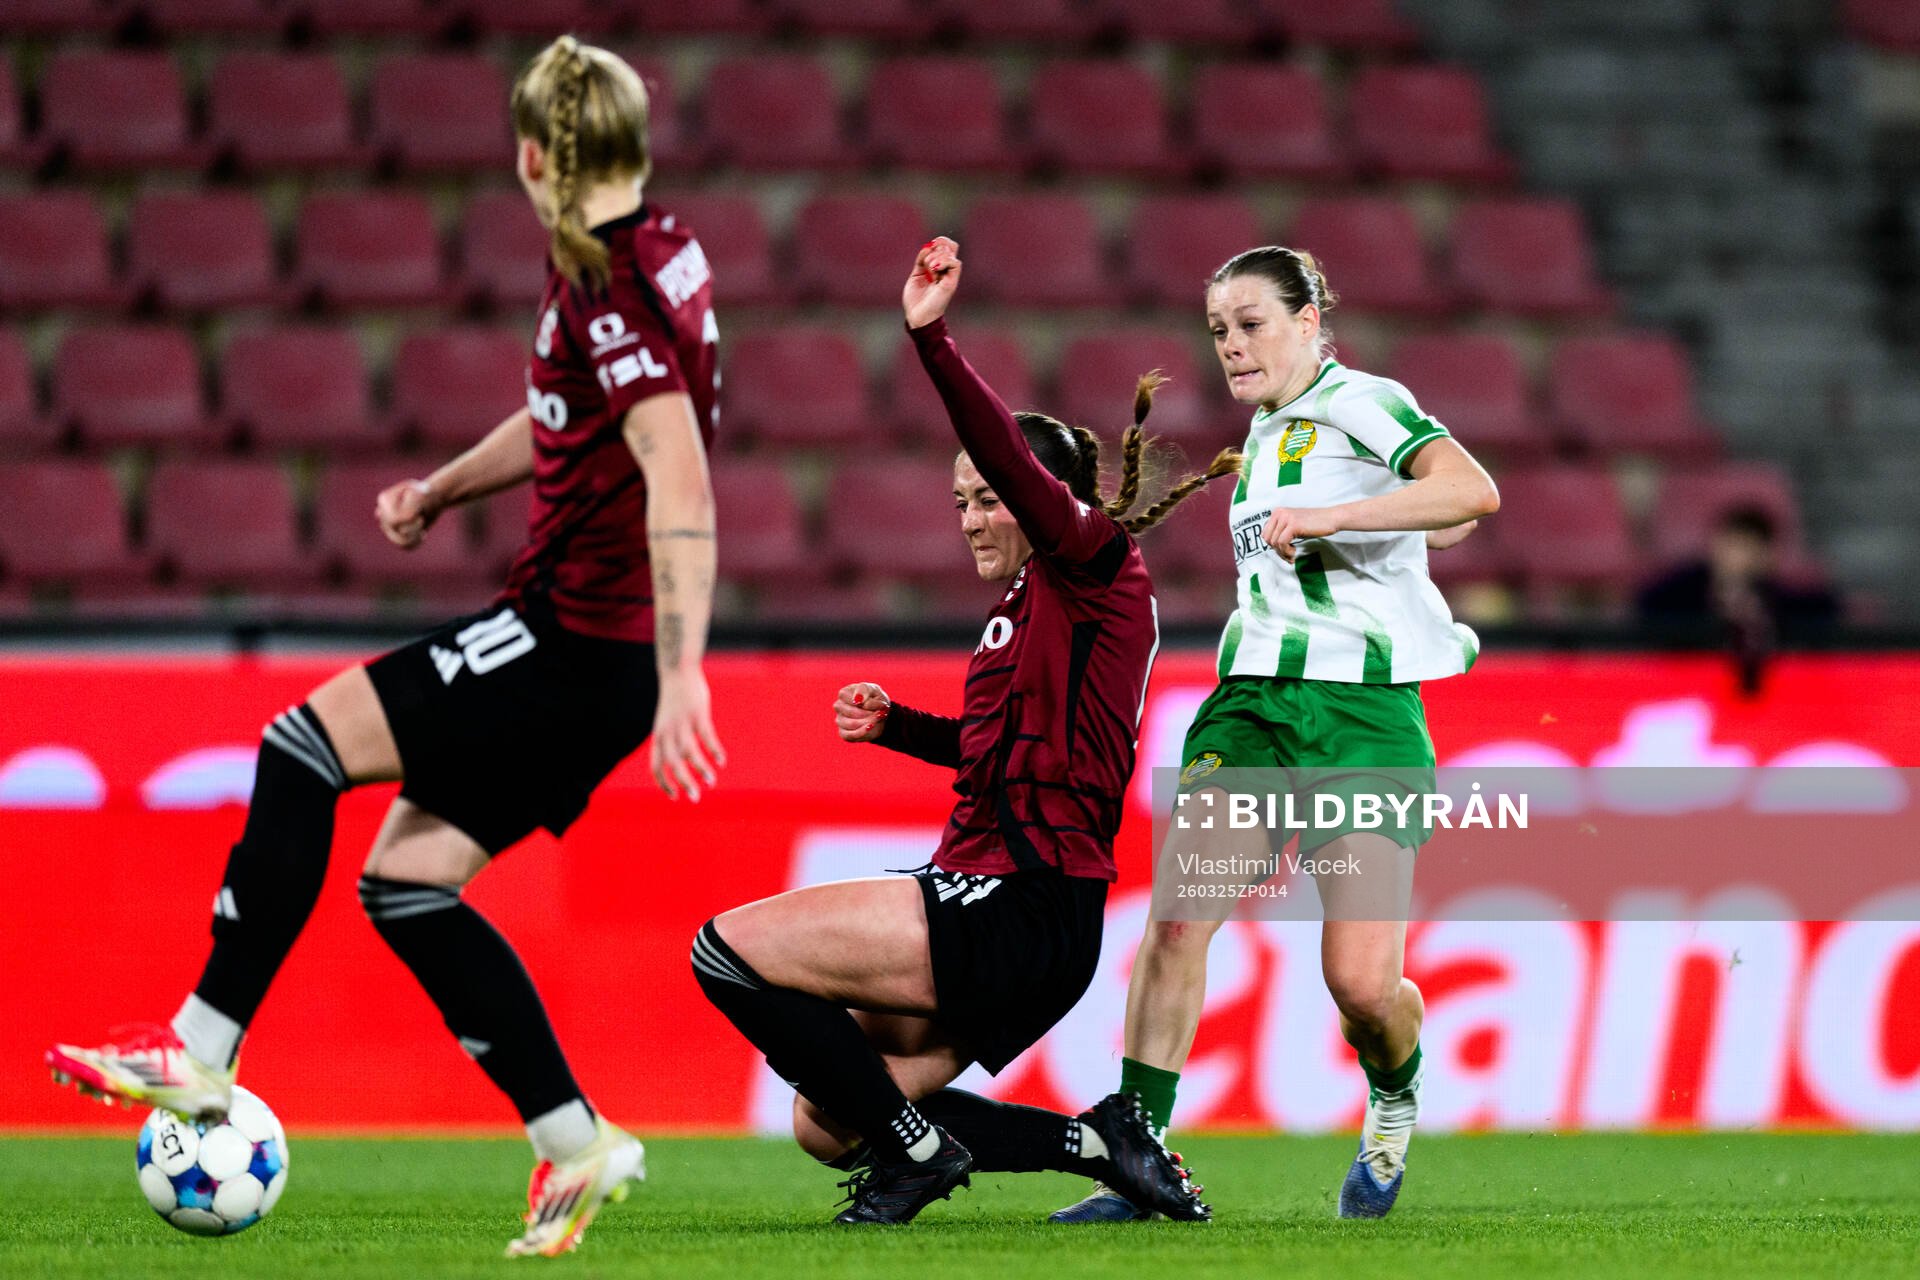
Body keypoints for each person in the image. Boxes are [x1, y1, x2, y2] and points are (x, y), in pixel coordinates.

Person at [47, 36, 723, 1258]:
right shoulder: (663, 248)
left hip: (575, 644)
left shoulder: (607, 283)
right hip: (594, 656)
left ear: (535, 156)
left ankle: (199, 1049)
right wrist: (444, 489)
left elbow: (675, 466)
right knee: (407, 884)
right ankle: (575, 1141)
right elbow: (576, 415)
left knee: (299, 746)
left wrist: (684, 670)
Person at [692, 237, 1232, 1226]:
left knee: (723, 950)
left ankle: (919, 1159)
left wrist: (932, 340)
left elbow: (1010, 461)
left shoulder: (1094, 564)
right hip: (1011, 903)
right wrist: (900, 727)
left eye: (989, 497)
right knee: (831, 1117)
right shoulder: (1030, 608)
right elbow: (1008, 750)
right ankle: (1098, 1143)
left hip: (1020, 901)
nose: (973, 517)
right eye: (961, 503)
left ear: (1043, 498)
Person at [1052, 246, 1499, 1224]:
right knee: (1179, 917)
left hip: (1363, 719)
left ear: (1308, 321)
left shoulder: (1363, 400)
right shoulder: (1262, 435)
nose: (1232, 345)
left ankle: (1394, 1093)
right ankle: (1138, 1161)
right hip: (1253, 705)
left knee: (1363, 988)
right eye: (1219, 329)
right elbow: (1428, 526)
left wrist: (1345, 514)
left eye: (1251, 323)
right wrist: (1384, 523)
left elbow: (1471, 492)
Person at [1636, 504, 1838, 691]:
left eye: (1750, 548)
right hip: (1686, 687)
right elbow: (1646, 617)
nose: (1739, 558)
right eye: (1733, 545)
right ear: (1716, 544)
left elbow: (1825, 615)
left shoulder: (1783, 599)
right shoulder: (1676, 591)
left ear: (1767, 557)